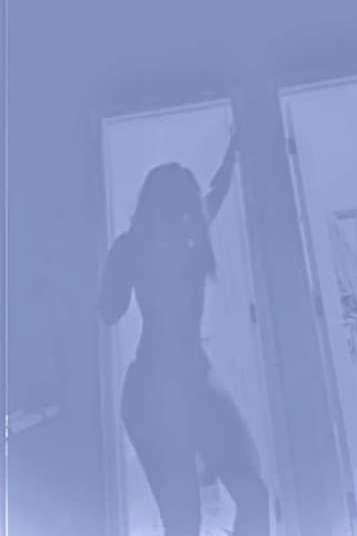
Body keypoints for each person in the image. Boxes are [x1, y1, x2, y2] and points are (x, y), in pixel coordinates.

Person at [99, 130, 270, 536]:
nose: (189, 216)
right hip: (152, 391)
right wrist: (117, 268)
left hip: (195, 380)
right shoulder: (135, 246)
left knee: (252, 497)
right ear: (162, 206)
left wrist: (232, 154)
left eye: (189, 209)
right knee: (184, 521)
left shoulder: (187, 237)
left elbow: (215, 194)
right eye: (181, 207)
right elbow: (109, 311)